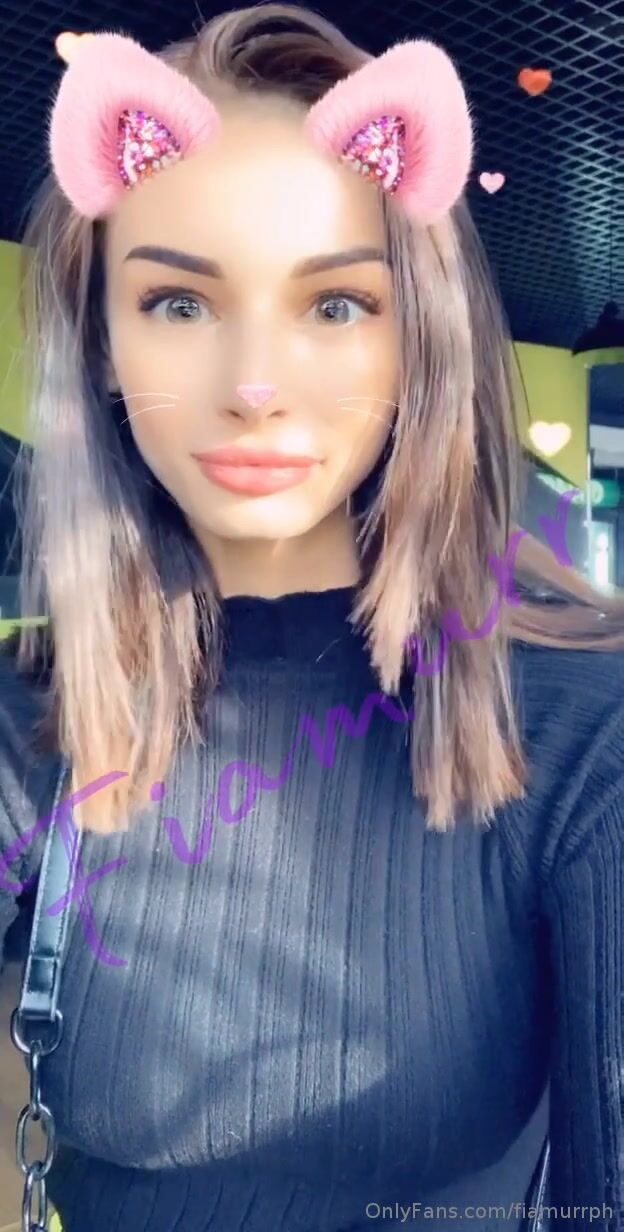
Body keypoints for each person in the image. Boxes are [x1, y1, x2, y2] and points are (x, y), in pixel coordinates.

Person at [0, 5, 622, 1230]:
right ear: (103, 342)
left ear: (417, 339)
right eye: (179, 302)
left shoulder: (586, 728)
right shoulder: (32, 718)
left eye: (336, 305)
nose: (255, 386)